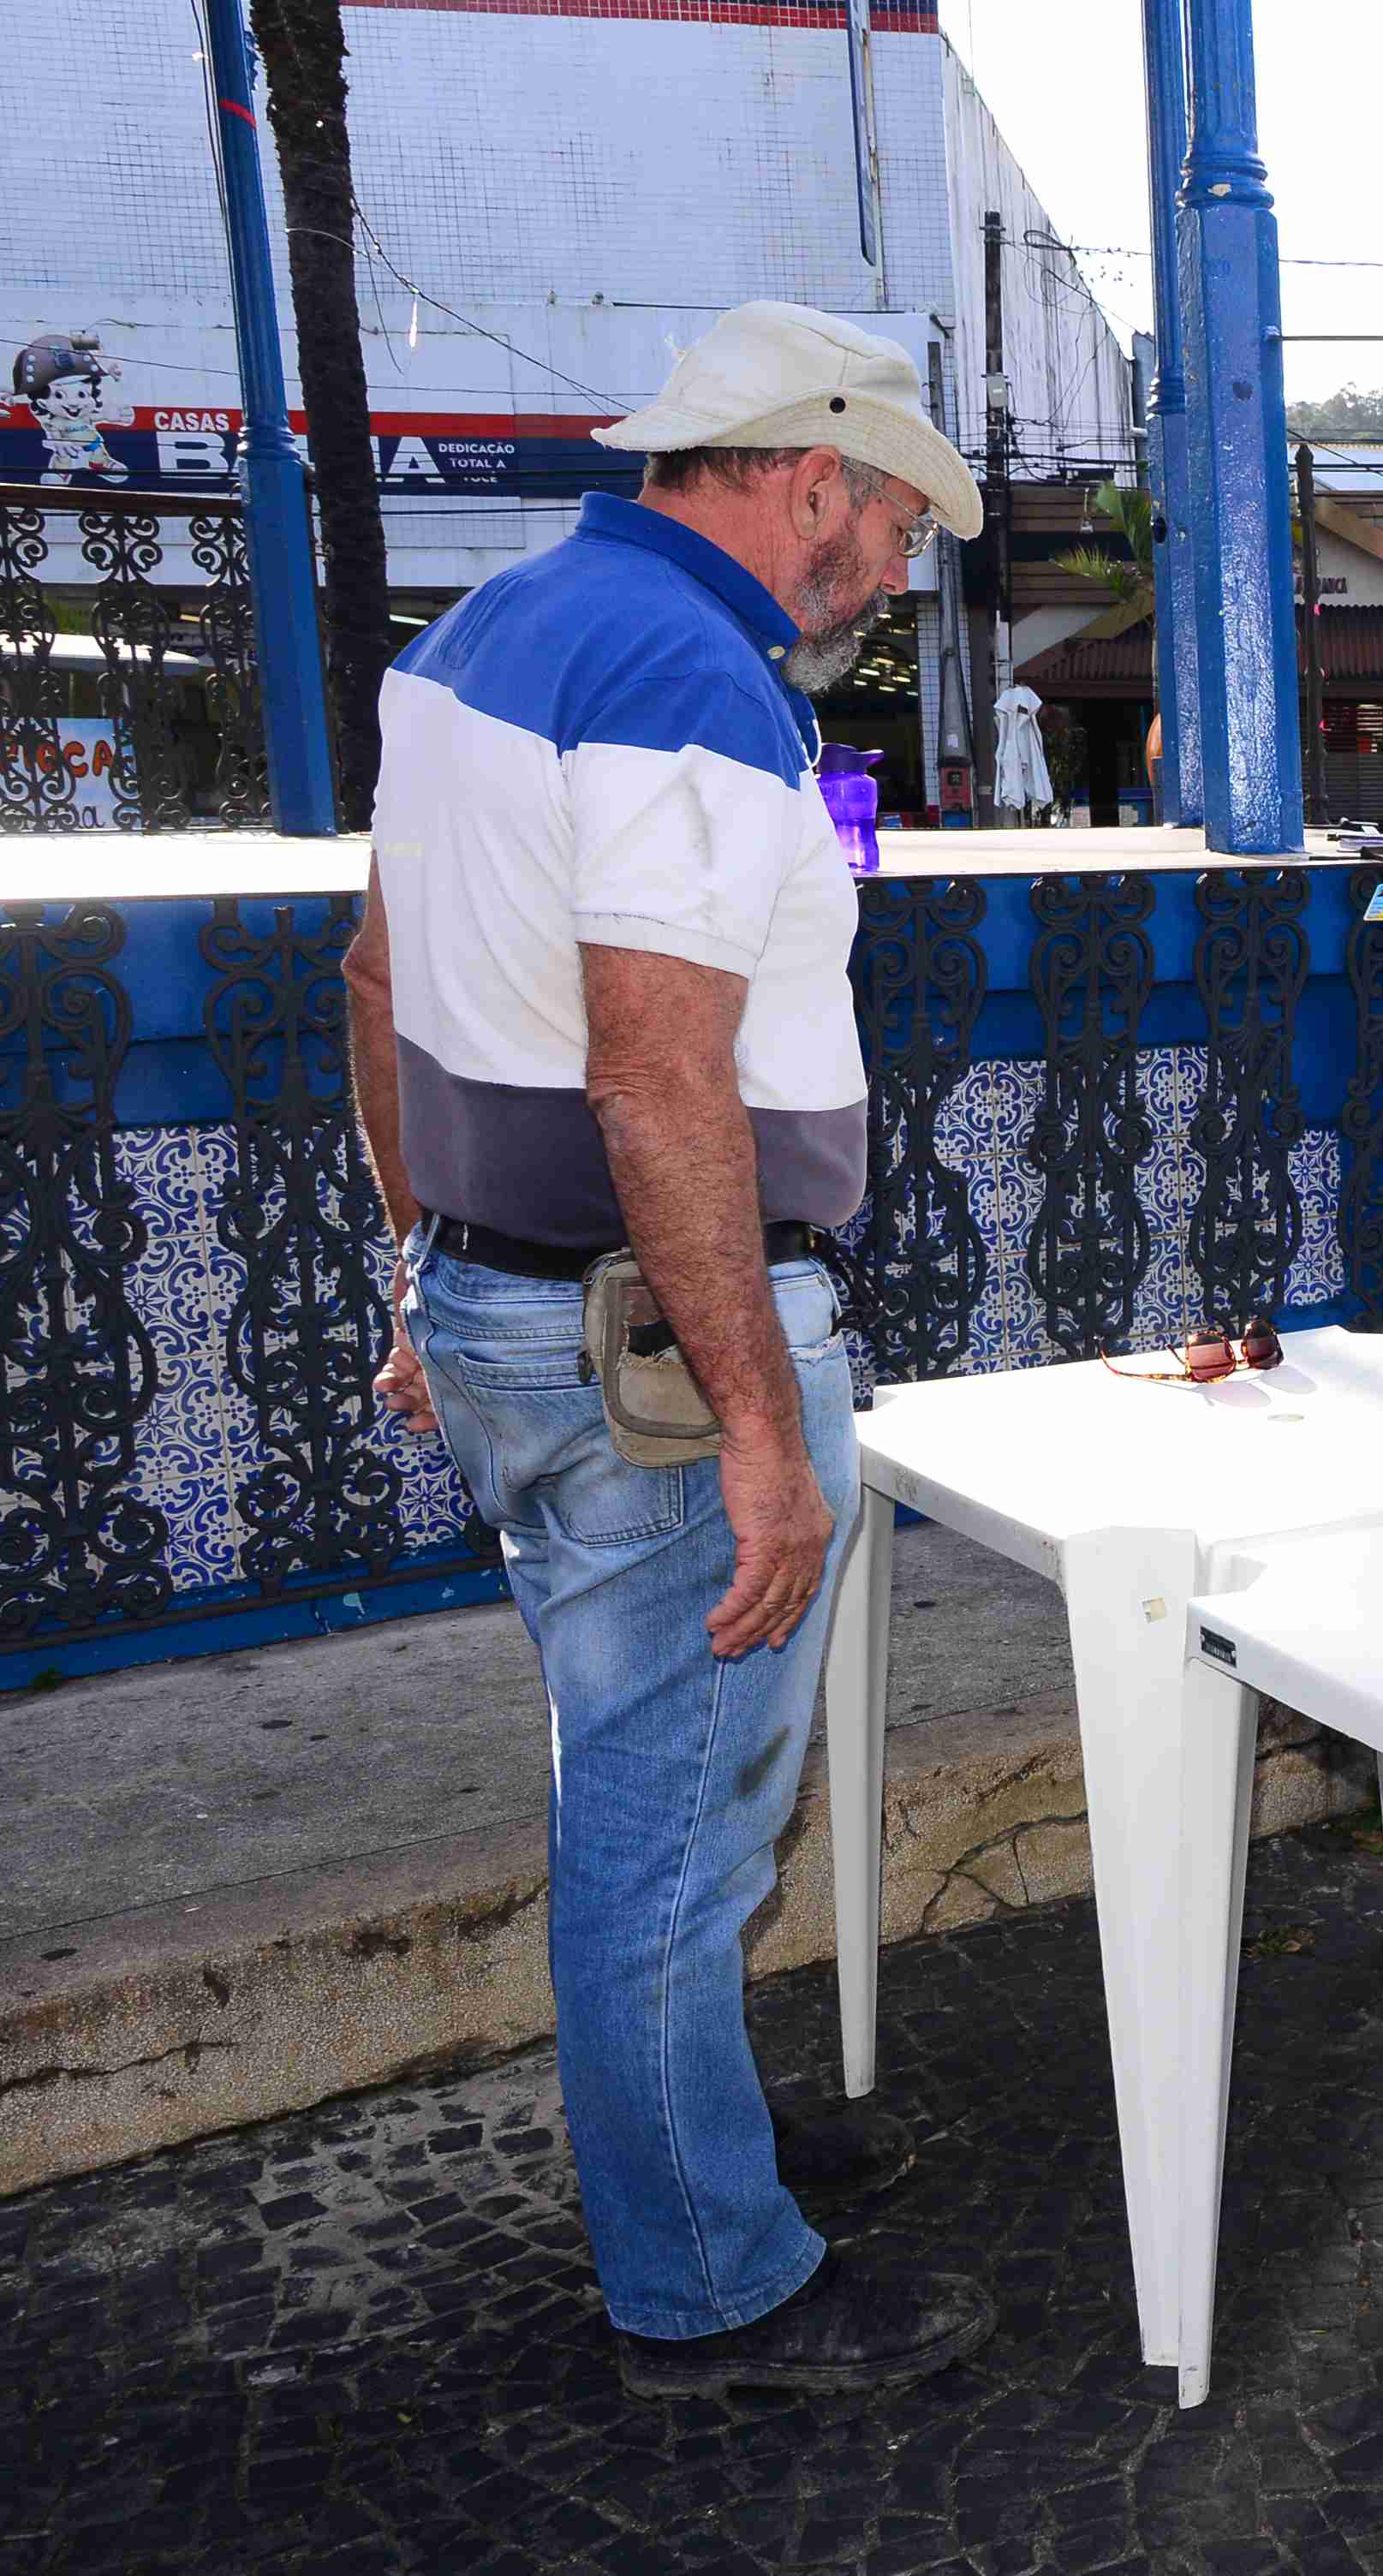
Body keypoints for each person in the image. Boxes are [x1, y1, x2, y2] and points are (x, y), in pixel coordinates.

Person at [345, 302, 995, 2398]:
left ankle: (691, 2143)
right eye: (892, 520)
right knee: (678, 1816)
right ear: (807, 472)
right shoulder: (689, 677)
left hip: (506, 1297)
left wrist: (418, 1267)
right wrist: (757, 1431)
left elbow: (371, 976)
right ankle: (708, 2270)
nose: (894, 568)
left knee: (638, 1777)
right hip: (647, 1342)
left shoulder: (479, 639)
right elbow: (659, 1077)